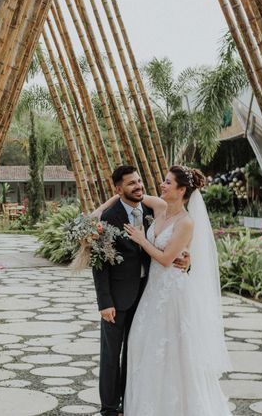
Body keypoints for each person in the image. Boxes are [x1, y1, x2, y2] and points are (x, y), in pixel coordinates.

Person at [124, 165, 232, 415]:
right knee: (142, 345)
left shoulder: (186, 222)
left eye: (168, 182)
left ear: (182, 190)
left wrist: (141, 240)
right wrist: (98, 212)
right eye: (163, 180)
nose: (161, 185)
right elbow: (126, 196)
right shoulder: (160, 208)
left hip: (172, 295)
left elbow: (166, 258)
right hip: (152, 292)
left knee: (174, 355)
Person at [89, 165, 191, 416]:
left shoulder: (152, 210)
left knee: (135, 352)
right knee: (111, 355)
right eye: (131, 183)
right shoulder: (108, 218)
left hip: (148, 295)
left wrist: (188, 261)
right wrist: (104, 302)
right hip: (117, 298)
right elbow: (99, 263)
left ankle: (129, 402)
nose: (138, 186)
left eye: (139, 181)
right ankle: (110, 409)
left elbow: (170, 249)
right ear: (118, 188)